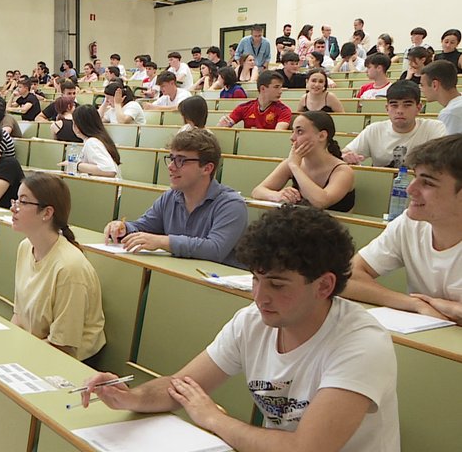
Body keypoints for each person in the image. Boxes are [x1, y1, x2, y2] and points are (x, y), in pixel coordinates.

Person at [84, 205, 401, 452]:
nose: (260, 297)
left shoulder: (361, 343)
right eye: (256, 279)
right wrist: (130, 397)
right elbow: (183, 386)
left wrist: (213, 418)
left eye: (276, 285)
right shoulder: (253, 321)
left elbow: (306, 448)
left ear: (324, 286)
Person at [344, 135, 462, 324]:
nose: (410, 189)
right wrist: (416, 304)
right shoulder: (409, 224)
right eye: (415, 177)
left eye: (428, 183)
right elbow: (349, 277)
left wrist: (452, 309)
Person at [103, 129, 247, 266]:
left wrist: (164, 242)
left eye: (181, 160)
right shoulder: (170, 197)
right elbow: (143, 227)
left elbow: (215, 249)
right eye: (171, 159)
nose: (171, 166)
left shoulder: (232, 204)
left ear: (207, 168)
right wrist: (123, 228)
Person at [10, 173, 106, 361]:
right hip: (34, 349)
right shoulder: (25, 247)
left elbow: (62, 347)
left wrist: (17, 354)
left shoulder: (69, 268)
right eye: (16, 200)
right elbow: (19, 317)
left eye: (23, 202)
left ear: (47, 213)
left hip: (66, 362)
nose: (14, 208)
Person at [253, 111, 355, 212]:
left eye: (300, 132)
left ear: (322, 136)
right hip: (299, 225)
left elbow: (320, 202)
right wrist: (277, 195)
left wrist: (295, 167)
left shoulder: (343, 171)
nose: (292, 138)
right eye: (292, 131)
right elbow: (257, 191)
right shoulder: (292, 163)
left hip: (334, 227)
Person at [342, 81, 446, 168]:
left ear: (418, 108)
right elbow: (345, 153)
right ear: (387, 108)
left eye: (407, 105)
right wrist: (348, 156)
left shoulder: (434, 128)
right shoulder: (374, 129)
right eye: (394, 105)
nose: (400, 111)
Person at [58, 105, 121, 178]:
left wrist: (76, 165)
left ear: (77, 125)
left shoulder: (92, 142)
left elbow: (109, 170)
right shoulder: (99, 139)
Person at [218, 71, 292, 130]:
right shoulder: (244, 108)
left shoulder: (284, 111)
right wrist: (222, 125)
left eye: (281, 87)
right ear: (262, 88)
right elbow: (223, 127)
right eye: (276, 87)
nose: (280, 91)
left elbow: (278, 137)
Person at [421, 60, 462, 134]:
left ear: (435, 85)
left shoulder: (449, 113)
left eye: (422, 85)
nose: (421, 89)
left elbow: (449, 145)